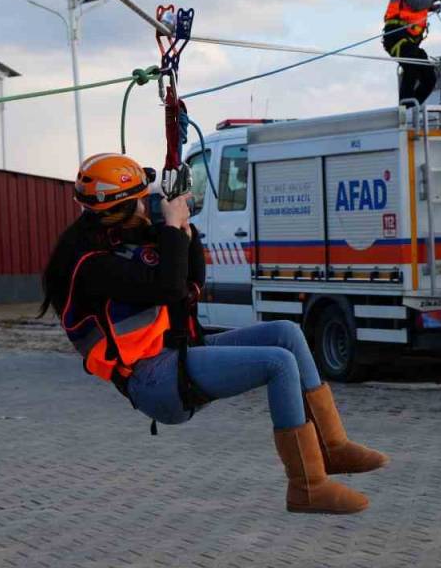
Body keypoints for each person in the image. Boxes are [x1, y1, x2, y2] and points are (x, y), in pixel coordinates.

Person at [39, 154, 387, 515]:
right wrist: (172, 228)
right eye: (143, 199)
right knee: (279, 363)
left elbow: (191, 284)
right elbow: (169, 289)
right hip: (155, 380)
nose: (148, 205)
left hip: (179, 351)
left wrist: (185, 229)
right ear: (124, 208)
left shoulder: (121, 241)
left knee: (287, 333)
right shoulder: (93, 266)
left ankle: (332, 445)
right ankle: (307, 487)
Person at [383, 0, 441, 105]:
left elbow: (411, 7)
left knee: (428, 77)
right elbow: (417, 4)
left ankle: (409, 109)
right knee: (413, 68)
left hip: (408, 39)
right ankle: (405, 112)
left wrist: (430, 8)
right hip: (398, 37)